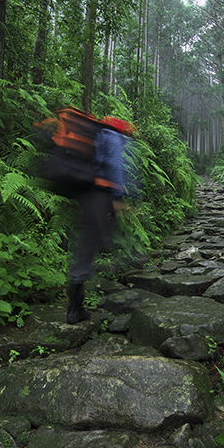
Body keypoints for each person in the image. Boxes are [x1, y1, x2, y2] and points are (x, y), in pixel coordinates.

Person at [66, 121, 133, 325]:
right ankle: (75, 309)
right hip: (100, 195)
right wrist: (117, 197)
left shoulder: (98, 135)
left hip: (88, 194)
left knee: (89, 242)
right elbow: (114, 165)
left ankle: (76, 306)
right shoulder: (112, 137)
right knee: (94, 242)